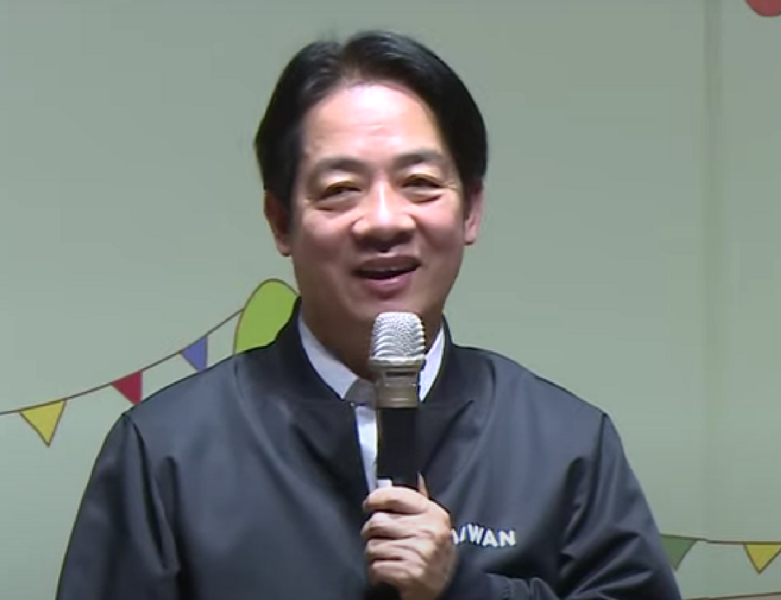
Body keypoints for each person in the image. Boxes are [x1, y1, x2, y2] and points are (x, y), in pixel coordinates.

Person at [55, 29, 682, 600]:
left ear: (470, 210)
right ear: (281, 222)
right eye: (340, 190)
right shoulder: (166, 450)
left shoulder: (567, 443)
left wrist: (462, 588)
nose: (384, 221)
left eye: (420, 183)